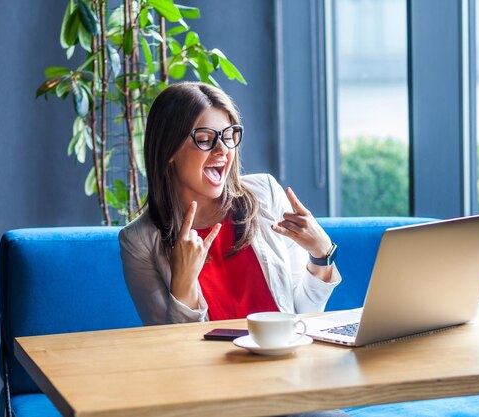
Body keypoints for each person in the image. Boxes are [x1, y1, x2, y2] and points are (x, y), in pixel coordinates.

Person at [119, 81, 341, 326]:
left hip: (284, 359)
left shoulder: (265, 194)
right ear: (169, 150)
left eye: (228, 136)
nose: (223, 149)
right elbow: (173, 349)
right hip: (210, 365)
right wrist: (183, 286)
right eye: (204, 139)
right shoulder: (138, 241)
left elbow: (303, 314)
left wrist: (321, 254)